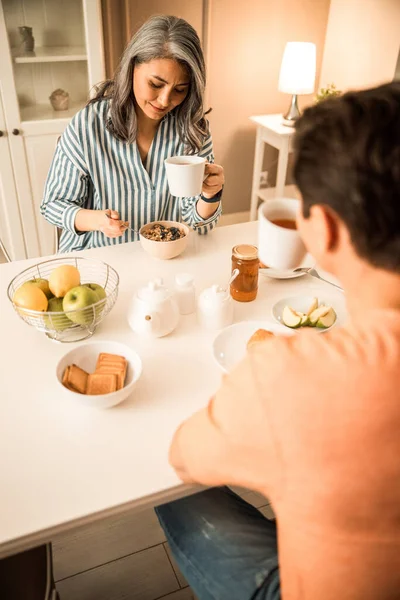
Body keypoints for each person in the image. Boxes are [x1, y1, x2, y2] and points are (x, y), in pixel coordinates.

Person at [155, 82, 400, 600]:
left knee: (173, 492)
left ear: (325, 229)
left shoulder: (291, 374)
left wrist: (263, 382)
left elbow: (185, 456)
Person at [41, 15, 224, 253]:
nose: (165, 100)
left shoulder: (192, 129)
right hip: (97, 255)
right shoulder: (89, 124)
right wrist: (98, 220)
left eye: (179, 90)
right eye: (156, 84)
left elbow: (198, 226)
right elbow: (53, 206)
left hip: (165, 256)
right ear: (132, 67)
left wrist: (211, 195)